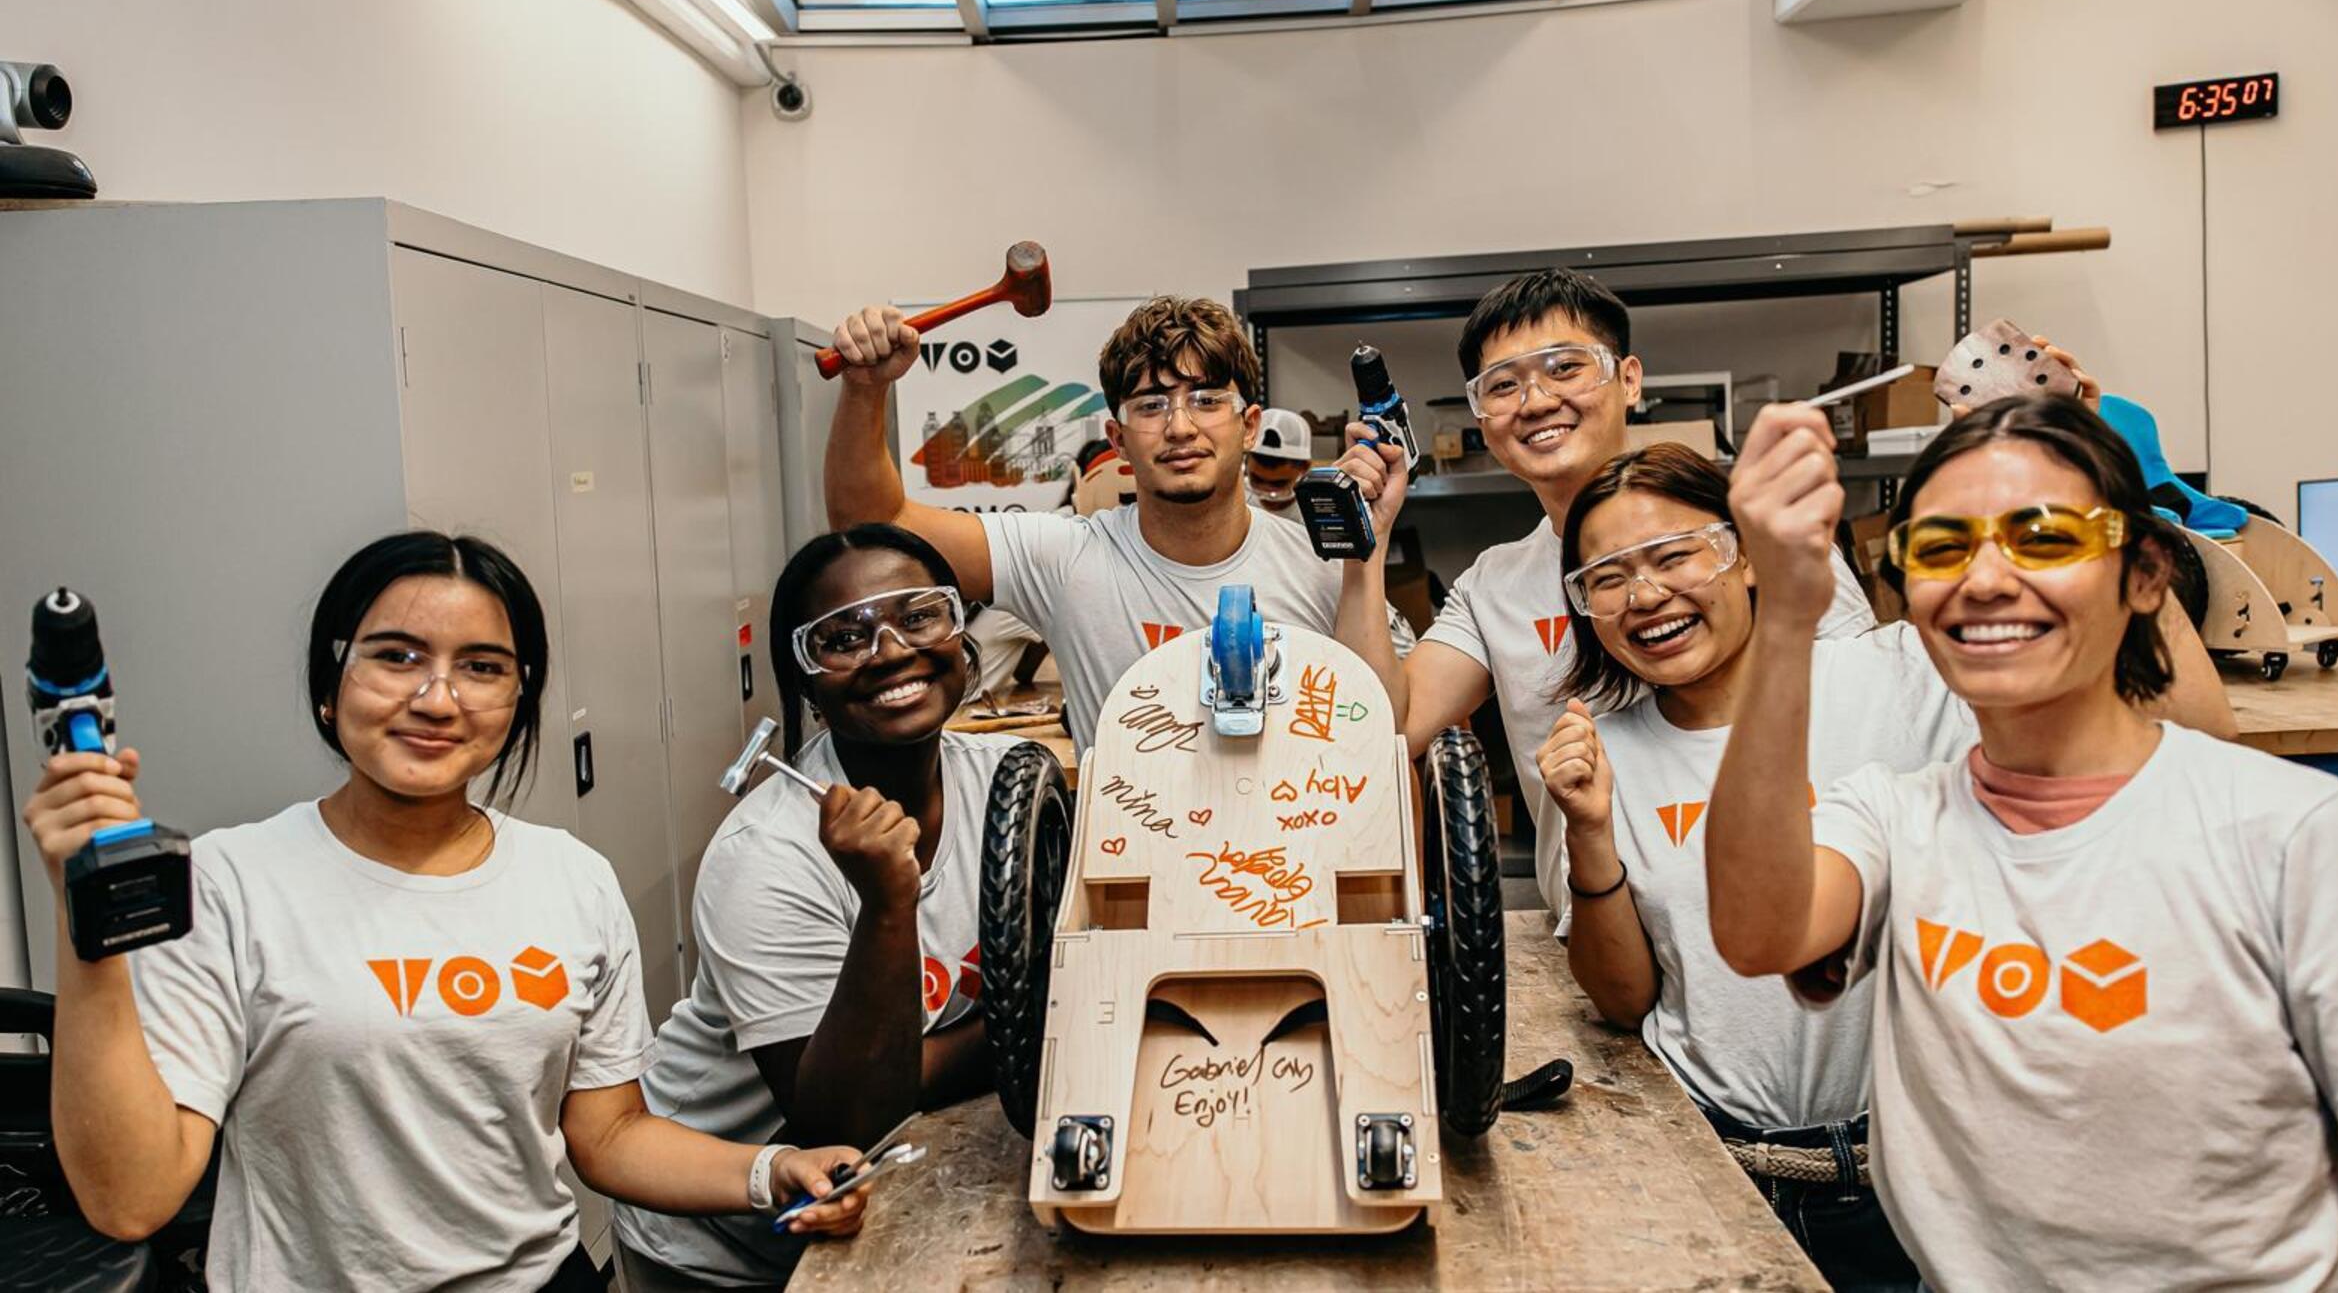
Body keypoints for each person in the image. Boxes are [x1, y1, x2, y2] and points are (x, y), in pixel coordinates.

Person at [21, 532, 871, 1292]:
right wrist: (83, 924)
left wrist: (773, 1168)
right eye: (396, 656)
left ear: (515, 701)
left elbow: (608, 1136)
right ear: (331, 685)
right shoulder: (230, 880)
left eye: (482, 666)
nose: (437, 698)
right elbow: (132, 1201)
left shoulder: (569, 877)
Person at [1704, 396, 2338, 1287]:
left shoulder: (2294, 835)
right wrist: (1789, 616)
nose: (1986, 579)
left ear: (2144, 575)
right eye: (1942, 547)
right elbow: (1762, 932)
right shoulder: (1895, 817)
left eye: (2044, 538)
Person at [1529, 433, 2232, 1290]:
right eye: (1607, 579)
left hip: (1917, 1171)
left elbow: (2188, 738)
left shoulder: (1900, 673)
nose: (1645, 596)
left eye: (1674, 556)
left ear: (1747, 558)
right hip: (1715, 1167)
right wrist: (1592, 834)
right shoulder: (1605, 754)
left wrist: (2104, 495)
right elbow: (1625, 1000)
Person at [616, 524, 1010, 1290]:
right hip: (727, 1245)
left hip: (891, 1199)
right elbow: (853, 1120)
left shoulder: (1005, 780)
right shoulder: (766, 857)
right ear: (806, 681)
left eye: (919, 615)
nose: (891, 651)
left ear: (961, 632)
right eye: (844, 637)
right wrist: (889, 903)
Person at [1335, 269, 1874, 807]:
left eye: (1566, 367)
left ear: (1629, 380)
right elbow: (1386, 727)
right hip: (1587, 889)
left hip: (1788, 876)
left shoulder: (1750, 531)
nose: (1537, 401)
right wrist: (1368, 540)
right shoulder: (1493, 585)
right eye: (1502, 385)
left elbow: (1865, 704)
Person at [821, 296, 1407, 751]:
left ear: (1249, 426)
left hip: (1296, 874)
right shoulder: (1065, 560)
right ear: (1118, 440)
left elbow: (1386, 730)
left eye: (1206, 400)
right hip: (1131, 888)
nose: (1180, 427)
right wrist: (865, 389)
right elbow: (875, 525)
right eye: (1151, 405)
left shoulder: (1326, 561)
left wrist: (1369, 556)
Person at [1246, 405, 1315, 517]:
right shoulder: (1235, 497)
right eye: (1256, 479)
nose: (1265, 492)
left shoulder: (1314, 510)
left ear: (1304, 468)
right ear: (1246, 460)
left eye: (1278, 484)